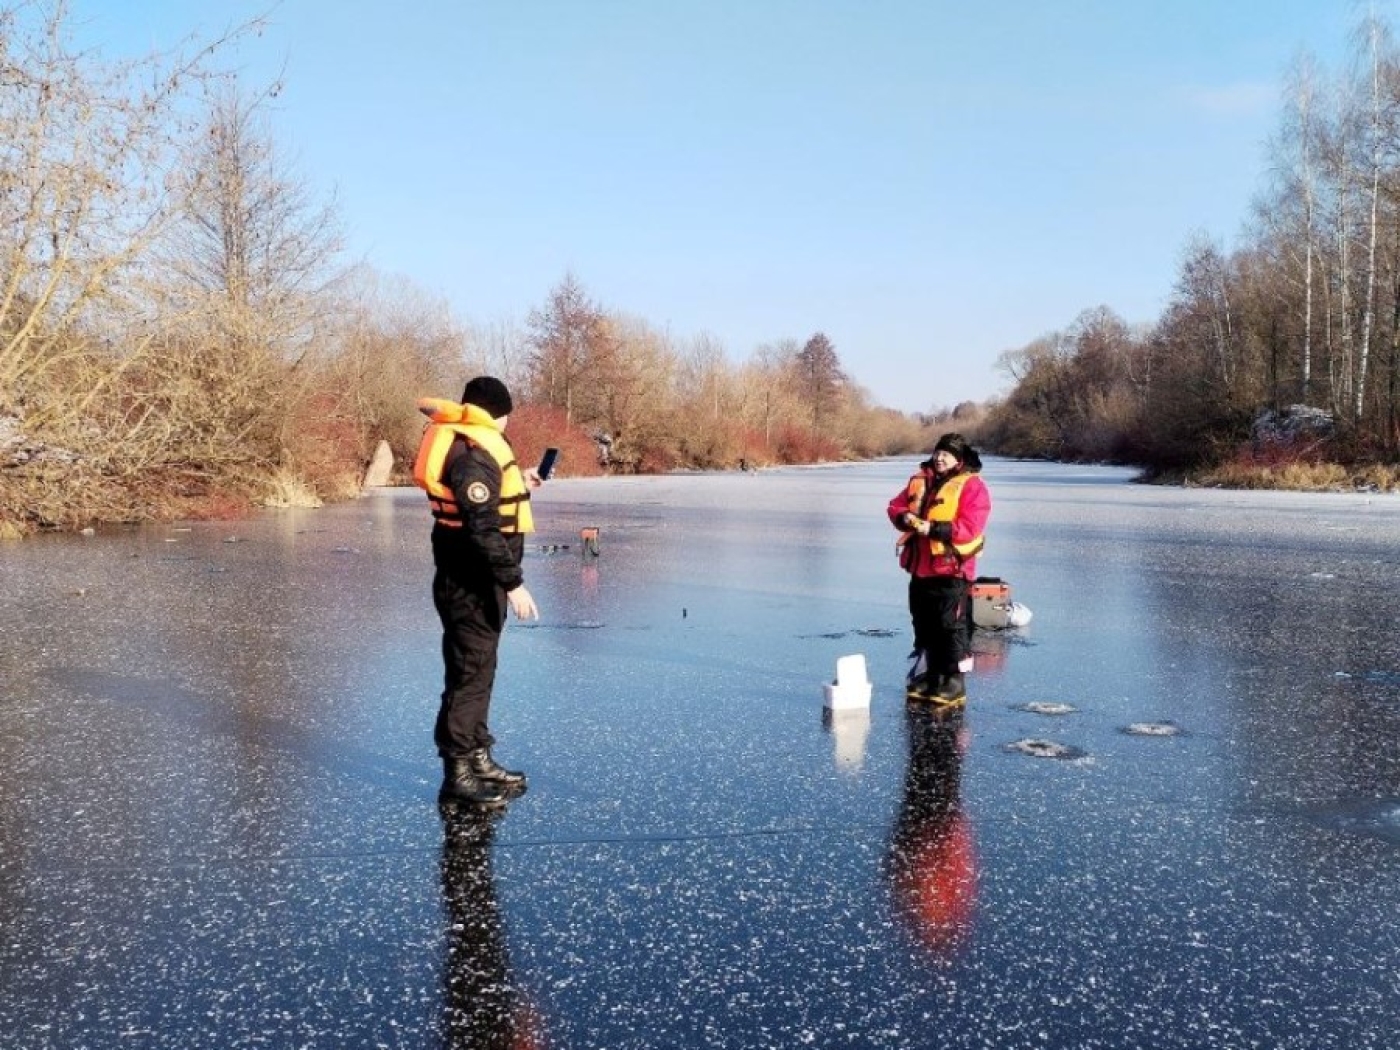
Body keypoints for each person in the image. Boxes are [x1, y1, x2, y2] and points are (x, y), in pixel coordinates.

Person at [413, 376, 542, 808]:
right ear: (494, 411)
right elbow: (482, 528)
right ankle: (458, 773)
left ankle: (479, 756)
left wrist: (519, 480)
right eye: (506, 413)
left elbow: (483, 500)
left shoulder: (476, 449)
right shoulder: (472, 452)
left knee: (479, 668)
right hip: (469, 581)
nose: (508, 421)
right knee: (469, 673)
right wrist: (515, 583)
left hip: (475, 580)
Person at [886, 432, 991, 705]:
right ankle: (928, 675)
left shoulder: (972, 486)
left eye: (946, 454)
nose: (940, 458)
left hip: (951, 571)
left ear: (958, 459)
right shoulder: (922, 480)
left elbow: (970, 527)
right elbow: (895, 506)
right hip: (921, 569)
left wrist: (932, 528)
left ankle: (953, 681)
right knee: (923, 623)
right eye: (938, 453)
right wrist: (904, 516)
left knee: (950, 627)